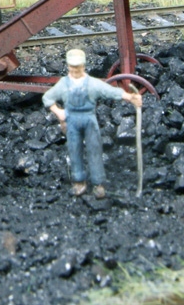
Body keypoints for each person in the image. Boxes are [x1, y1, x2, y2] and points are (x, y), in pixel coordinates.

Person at [42, 49, 142, 199]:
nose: (75, 69)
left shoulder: (92, 83)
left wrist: (130, 97)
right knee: (74, 150)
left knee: (94, 150)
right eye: (72, 66)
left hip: (89, 119)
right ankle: (79, 181)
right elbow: (48, 98)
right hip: (72, 120)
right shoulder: (63, 84)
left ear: (83, 66)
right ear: (68, 66)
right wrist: (58, 112)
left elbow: (110, 91)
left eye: (78, 66)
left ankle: (98, 183)